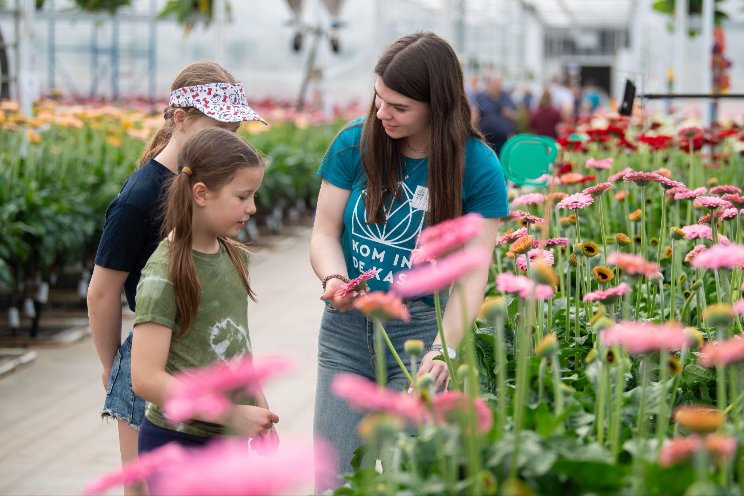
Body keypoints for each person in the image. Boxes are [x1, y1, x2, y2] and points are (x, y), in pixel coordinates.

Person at [310, 31, 509, 489]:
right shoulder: (353, 143)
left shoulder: (476, 166)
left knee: (415, 478)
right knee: (337, 479)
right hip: (346, 333)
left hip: (421, 337)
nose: (383, 114)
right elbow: (324, 232)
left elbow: (473, 276)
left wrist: (445, 347)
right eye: (379, 100)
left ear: (436, 106)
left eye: (399, 107)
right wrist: (334, 277)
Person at [86, 61, 266, 493]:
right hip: (154, 361)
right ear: (180, 119)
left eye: (233, 131)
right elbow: (103, 293)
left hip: (199, 355)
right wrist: (115, 370)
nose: (228, 141)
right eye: (218, 129)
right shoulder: (139, 198)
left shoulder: (216, 186)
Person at [131, 127, 278, 453]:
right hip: (178, 442)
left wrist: (258, 407)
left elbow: (239, 347)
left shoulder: (234, 256)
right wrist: (230, 414)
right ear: (200, 193)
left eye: (253, 195)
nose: (252, 207)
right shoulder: (164, 273)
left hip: (228, 439)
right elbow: (145, 378)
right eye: (242, 196)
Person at [473, 74, 517, 155]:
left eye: (499, 83)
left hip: (502, 139)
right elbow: (476, 115)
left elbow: (515, 115)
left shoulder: (506, 97)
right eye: (495, 83)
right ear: (490, 84)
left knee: (501, 162)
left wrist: (510, 113)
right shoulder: (482, 97)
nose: (497, 86)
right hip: (486, 138)